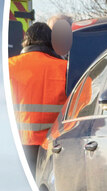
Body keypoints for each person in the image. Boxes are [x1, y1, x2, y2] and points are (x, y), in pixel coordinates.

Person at [8, 22, 67, 175]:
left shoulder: (9, 66)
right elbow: (85, 101)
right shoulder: (65, 68)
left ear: (26, 41)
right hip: (55, 148)